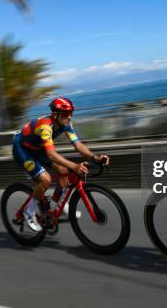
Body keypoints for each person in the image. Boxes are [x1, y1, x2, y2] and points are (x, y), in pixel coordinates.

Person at [12, 97, 110, 232]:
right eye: (65, 114)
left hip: (37, 148)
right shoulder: (46, 126)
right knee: (45, 180)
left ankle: (56, 206)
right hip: (22, 149)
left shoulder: (66, 124)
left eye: (71, 114)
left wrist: (96, 158)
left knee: (63, 170)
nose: (69, 117)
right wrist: (75, 166)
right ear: (55, 114)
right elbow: (51, 154)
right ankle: (28, 212)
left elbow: (78, 145)